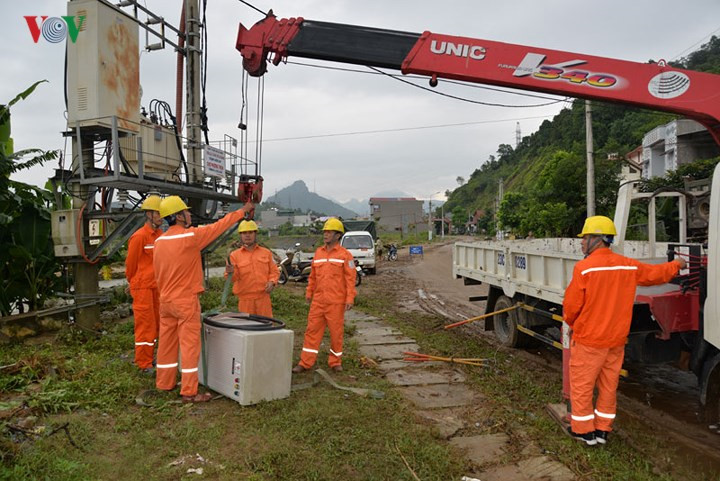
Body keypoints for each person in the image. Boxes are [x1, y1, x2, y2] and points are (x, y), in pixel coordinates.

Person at [562, 215, 686, 446]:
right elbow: (655, 274)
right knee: (609, 387)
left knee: (582, 387)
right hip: (616, 340)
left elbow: (570, 308)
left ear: (597, 240)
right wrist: (676, 265)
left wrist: (573, 325)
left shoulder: (584, 268)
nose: (580, 242)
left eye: (584, 237)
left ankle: (583, 432)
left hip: (590, 340)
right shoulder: (627, 265)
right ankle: (603, 431)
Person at [153, 196, 254, 403]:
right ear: (179, 216)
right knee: (189, 346)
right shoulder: (190, 237)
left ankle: (164, 383)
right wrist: (242, 211)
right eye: (186, 212)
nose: (190, 214)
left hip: (165, 301)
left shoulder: (158, 242)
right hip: (185, 301)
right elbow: (219, 226)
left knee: (166, 344)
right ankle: (189, 392)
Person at [292, 218, 357, 373]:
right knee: (312, 331)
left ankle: (335, 362)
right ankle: (305, 362)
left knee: (336, 333)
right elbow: (313, 276)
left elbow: (350, 279)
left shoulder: (346, 256)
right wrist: (309, 292)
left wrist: (349, 298)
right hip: (318, 302)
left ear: (337, 235)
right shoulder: (318, 253)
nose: (325, 234)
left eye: (329, 232)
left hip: (336, 302)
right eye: (325, 232)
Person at [125, 195, 163, 373]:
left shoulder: (161, 236)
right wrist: (133, 283)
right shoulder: (139, 237)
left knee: (157, 324)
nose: (162, 217)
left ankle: (151, 357)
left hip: (157, 287)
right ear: (149, 214)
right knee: (145, 326)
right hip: (143, 288)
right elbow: (130, 265)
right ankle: (143, 363)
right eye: (159, 213)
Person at [226, 220, 279, 317]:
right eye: (244, 233)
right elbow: (233, 279)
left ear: (255, 234)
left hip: (263, 299)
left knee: (266, 327)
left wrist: (272, 282)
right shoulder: (234, 256)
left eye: (250, 232)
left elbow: (274, 271)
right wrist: (230, 272)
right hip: (245, 301)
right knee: (248, 329)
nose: (247, 235)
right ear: (240, 235)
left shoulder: (266, 253)